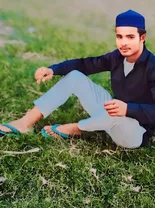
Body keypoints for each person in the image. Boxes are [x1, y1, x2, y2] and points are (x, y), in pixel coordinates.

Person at [0, 9, 155, 148]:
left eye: (130, 37)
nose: (123, 43)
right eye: (119, 36)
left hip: (136, 133)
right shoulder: (117, 56)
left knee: (114, 111)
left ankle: (76, 128)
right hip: (112, 117)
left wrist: (128, 109)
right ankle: (25, 122)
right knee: (75, 76)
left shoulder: (152, 66)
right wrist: (54, 70)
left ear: (142, 37)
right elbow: (86, 65)